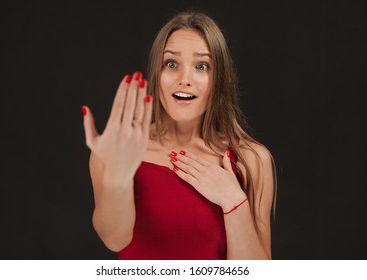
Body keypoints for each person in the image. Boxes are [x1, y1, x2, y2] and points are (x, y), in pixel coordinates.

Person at [81, 11, 276, 260]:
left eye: (202, 66)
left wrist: (233, 202)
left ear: (219, 79)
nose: (185, 79)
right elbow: (114, 238)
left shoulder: (251, 159)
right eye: (171, 64)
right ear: (156, 73)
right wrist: (118, 177)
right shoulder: (120, 151)